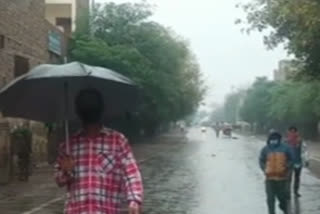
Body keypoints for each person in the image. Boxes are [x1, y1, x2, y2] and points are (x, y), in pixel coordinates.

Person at [54, 88, 143, 214]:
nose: (89, 109)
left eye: (92, 104)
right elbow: (59, 180)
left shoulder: (117, 141)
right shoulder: (68, 146)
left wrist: (134, 200)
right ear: (79, 111)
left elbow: (131, 173)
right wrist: (66, 171)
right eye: (85, 105)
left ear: (100, 109)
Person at [259, 132, 293, 214]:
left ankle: (284, 208)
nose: (273, 140)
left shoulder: (286, 148)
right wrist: (264, 169)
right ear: (269, 139)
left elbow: (291, 159)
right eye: (272, 139)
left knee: (282, 198)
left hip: (282, 179)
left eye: (275, 139)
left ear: (279, 139)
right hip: (269, 179)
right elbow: (261, 160)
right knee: (270, 199)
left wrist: (287, 167)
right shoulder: (265, 149)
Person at [285, 126, 303, 198]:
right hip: (289, 163)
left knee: (297, 178)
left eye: (294, 131)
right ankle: (288, 193)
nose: (293, 133)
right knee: (288, 179)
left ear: (296, 132)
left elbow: (304, 152)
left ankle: (296, 192)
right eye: (291, 131)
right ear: (289, 132)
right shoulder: (286, 142)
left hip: (298, 162)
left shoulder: (299, 141)